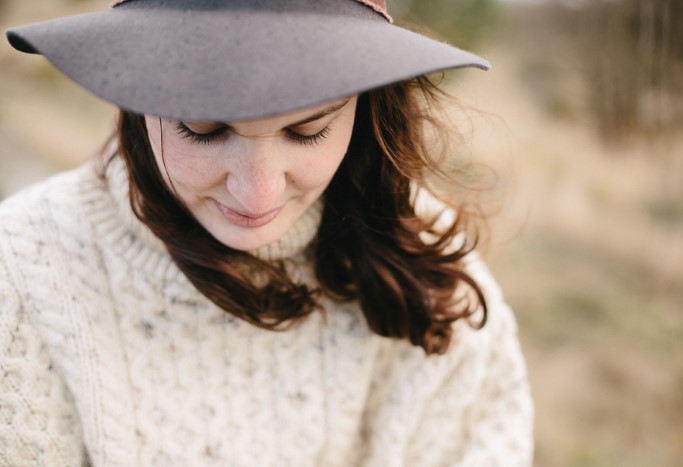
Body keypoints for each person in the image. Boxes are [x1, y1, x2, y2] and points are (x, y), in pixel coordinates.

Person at [1, 0, 533, 465]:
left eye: (307, 131)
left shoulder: (426, 262)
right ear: (139, 102)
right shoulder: (25, 270)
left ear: (366, 103)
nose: (257, 195)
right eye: (203, 129)